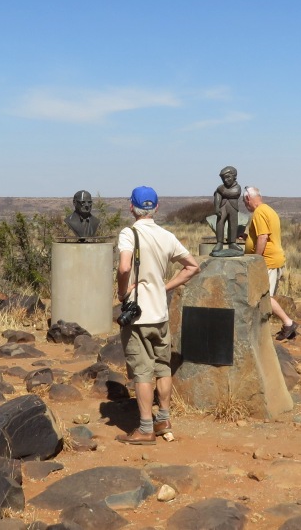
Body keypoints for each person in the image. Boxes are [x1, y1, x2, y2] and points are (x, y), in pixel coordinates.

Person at [116, 186, 201, 444]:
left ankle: (145, 428)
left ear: (131, 207)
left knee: (142, 372)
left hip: (137, 316)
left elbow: (124, 266)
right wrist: (164, 287)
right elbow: (192, 267)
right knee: (163, 368)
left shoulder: (128, 233)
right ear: (157, 207)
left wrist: (123, 292)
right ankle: (163, 419)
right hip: (160, 315)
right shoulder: (166, 235)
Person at [242, 186, 298, 341]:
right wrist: (247, 237)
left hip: (268, 260)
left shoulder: (259, 212)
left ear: (248, 198)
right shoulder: (268, 210)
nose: (245, 205)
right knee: (264, 294)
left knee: (264, 296)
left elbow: (263, 237)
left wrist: (256, 260)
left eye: (244, 201)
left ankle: (288, 323)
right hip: (274, 258)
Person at [212, 166, 242, 254]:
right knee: (220, 223)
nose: (225, 180)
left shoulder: (237, 187)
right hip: (223, 206)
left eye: (228, 177)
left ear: (234, 176)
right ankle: (219, 243)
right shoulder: (221, 188)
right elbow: (217, 196)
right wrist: (217, 207)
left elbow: (234, 193)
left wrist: (221, 191)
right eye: (223, 178)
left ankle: (232, 242)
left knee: (233, 224)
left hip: (233, 207)